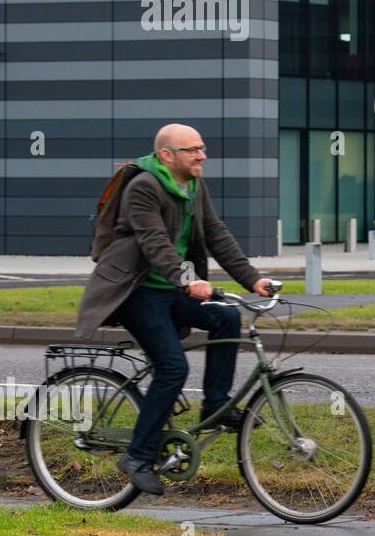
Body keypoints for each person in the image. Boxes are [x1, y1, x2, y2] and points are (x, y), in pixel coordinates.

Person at [74, 125, 275, 495]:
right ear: (167, 155)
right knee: (172, 367)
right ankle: (137, 456)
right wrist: (188, 280)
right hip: (136, 292)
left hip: (169, 288)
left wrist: (253, 280)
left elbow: (216, 233)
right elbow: (156, 244)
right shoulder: (144, 187)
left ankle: (215, 403)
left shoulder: (193, 184)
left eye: (202, 148)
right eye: (193, 150)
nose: (202, 156)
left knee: (227, 316)